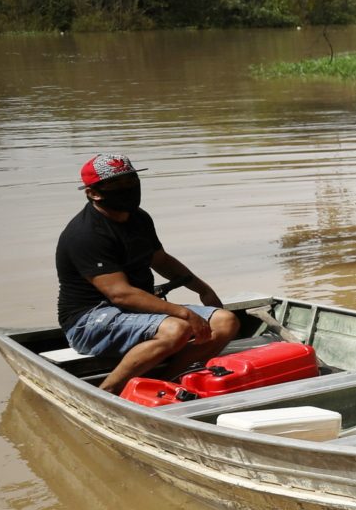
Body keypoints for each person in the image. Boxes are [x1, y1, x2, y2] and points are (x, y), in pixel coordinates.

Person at [56, 152, 241, 393]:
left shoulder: (139, 218)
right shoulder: (85, 234)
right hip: (89, 321)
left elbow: (160, 260)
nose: (127, 188)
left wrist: (203, 290)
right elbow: (121, 295)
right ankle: (108, 391)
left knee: (226, 321)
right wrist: (183, 313)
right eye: (116, 184)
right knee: (177, 328)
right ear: (93, 193)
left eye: (131, 180)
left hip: (135, 310)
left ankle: (166, 383)